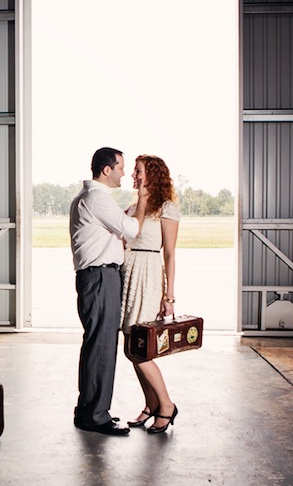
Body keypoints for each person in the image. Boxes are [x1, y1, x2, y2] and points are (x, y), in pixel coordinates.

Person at [69, 147, 148, 436]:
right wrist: (142, 199)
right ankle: (95, 416)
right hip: (100, 278)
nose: (125, 173)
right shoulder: (96, 198)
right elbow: (131, 229)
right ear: (106, 170)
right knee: (101, 347)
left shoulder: (90, 198)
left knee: (96, 346)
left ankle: (90, 410)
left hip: (97, 278)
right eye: (121, 168)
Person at [121, 154, 181, 434]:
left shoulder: (166, 208)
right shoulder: (133, 206)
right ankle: (150, 404)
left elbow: (169, 253)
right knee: (131, 347)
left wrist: (168, 296)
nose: (134, 175)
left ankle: (166, 405)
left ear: (153, 175)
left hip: (148, 275)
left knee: (140, 349)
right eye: (134, 170)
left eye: (139, 171)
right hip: (128, 274)